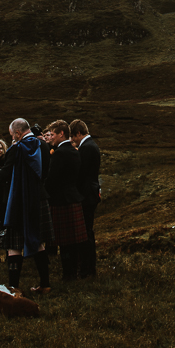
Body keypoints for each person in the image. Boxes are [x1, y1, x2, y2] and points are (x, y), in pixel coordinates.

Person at [0, 118, 55, 294]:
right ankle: (45, 284)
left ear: (17, 133)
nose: (12, 138)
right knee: (37, 241)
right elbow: (45, 172)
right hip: (38, 198)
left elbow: (5, 174)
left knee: (14, 245)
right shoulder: (43, 146)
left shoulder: (16, 148)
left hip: (18, 201)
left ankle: (14, 286)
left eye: (11, 135)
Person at [42, 121, 86, 283]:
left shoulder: (60, 153)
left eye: (52, 135)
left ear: (61, 133)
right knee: (72, 241)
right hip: (72, 197)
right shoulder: (74, 151)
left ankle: (68, 274)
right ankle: (73, 272)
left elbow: (52, 178)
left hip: (61, 200)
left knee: (65, 241)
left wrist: (44, 190)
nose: (51, 138)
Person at [71, 119, 101, 278]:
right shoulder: (91, 145)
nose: (73, 140)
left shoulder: (86, 148)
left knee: (86, 233)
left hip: (86, 195)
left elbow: (80, 173)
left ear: (78, 133)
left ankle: (88, 268)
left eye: (73, 137)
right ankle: (88, 267)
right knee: (88, 232)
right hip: (91, 193)